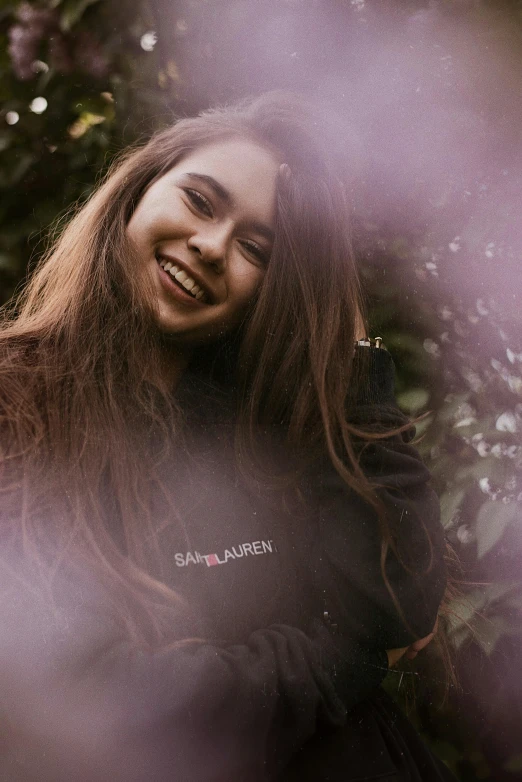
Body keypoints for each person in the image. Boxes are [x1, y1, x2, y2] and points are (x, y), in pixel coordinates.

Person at [0, 92, 454, 781]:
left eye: (255, 249)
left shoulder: (267, 432)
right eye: (200, 202)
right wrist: (340, 662)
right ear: (135, 192)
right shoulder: (16, 399)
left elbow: (400, 602)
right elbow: (98, 699)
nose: (211, 247)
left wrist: (348, 353)